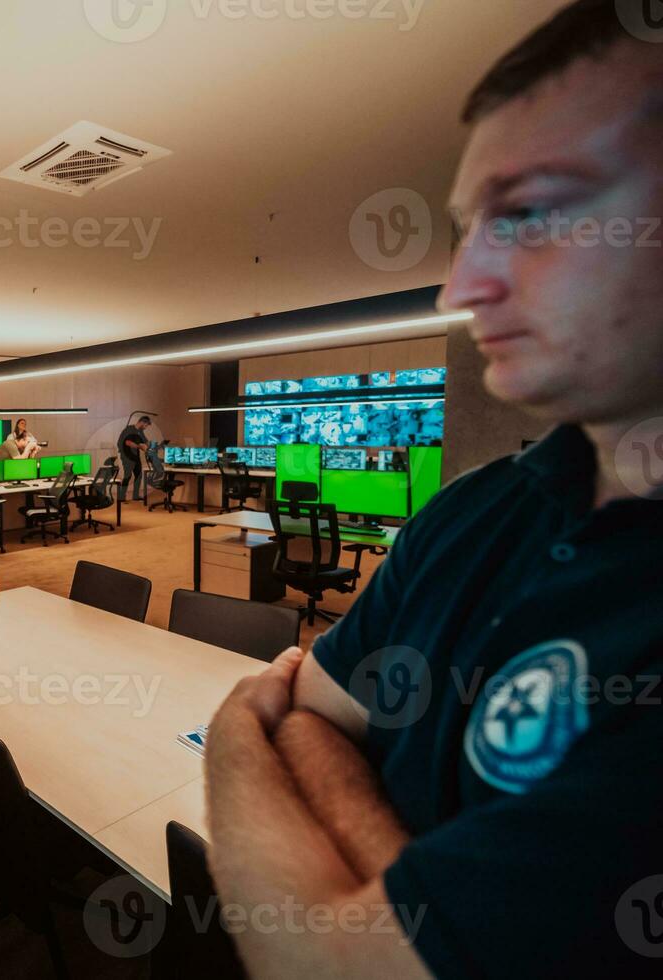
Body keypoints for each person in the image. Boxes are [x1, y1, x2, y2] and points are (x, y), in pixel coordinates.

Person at [204, 3, 663, 977]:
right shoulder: (474, 505)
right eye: (467, 229)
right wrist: (407, 884)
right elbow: (325, 715)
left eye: (529, 211)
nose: (461, 285)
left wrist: (238, 732)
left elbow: (326, 959)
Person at [117, 415, 152, 501]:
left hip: (135, 456)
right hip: (127, 456)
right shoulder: (129, 429)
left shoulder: (140, 431)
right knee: (128, 475)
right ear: (142, 422)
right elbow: (127, 442)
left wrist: (147, 445)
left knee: (138, 475)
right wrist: (140, 447)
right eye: (146, 425)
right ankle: (121, 496)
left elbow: (145, 441)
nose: (146, 427)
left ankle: (135, 496)